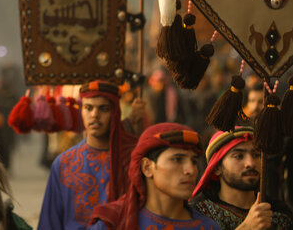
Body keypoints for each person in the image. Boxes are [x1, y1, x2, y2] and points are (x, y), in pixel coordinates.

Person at [37, 81, 141, 230]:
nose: (95, 115)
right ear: (81, 111)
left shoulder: (134, 159)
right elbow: (49, 223)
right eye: (88, 108)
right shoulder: (64, 163)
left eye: (103, 109)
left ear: (115, 112)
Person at [89, 123, 220, 230]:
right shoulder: (111, 224)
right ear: (147, 167)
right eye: (177, 159)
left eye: (194, 161)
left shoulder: (208, 227)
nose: (191, 170)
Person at [191, 127, 293, 229]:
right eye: (239, 156)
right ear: (217, 168)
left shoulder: (280, 214)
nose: (251, 163)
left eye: (256, 155)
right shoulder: (197, 213)